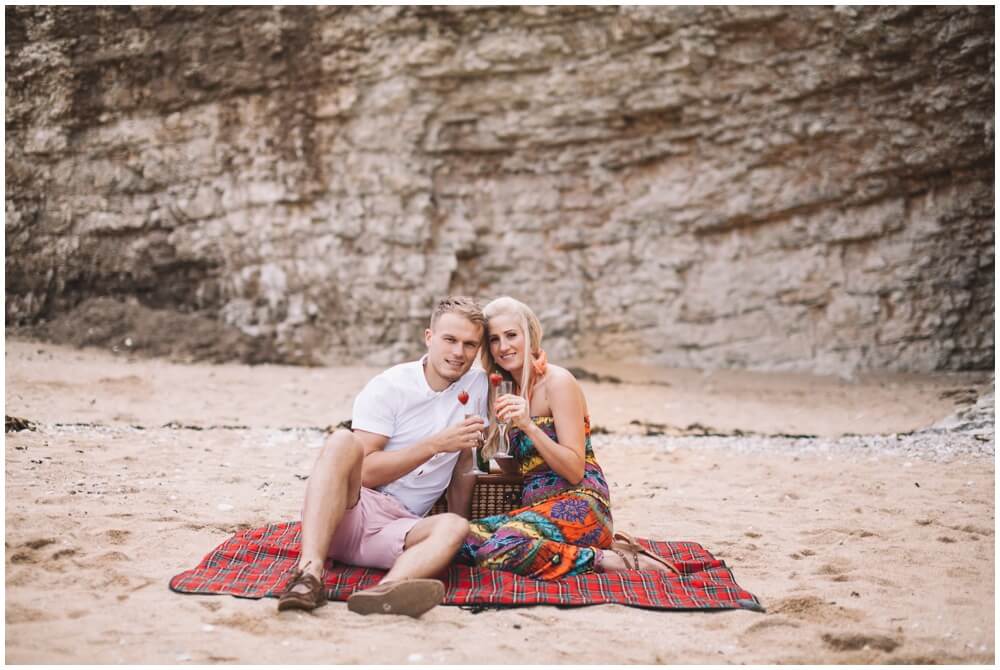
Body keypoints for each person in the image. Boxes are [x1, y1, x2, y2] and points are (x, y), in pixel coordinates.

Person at [277, 296, 489, 617]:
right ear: (429, 338)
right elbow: (365, 473)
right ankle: (308, 574)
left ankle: (384, 591)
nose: (459, 352)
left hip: (401, 526)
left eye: (470, 344)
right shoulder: (390, 386)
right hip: (352, 511)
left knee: (454, 527)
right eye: (450, 340)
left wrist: (458, 535)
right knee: (342, 441)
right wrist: (435, 445)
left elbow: (463, 464)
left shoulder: (478, 386)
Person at [457, 296, 680, 579]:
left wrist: (529, 426)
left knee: (497, 550)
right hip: (535, 510)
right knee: (459, 541)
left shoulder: (557, 382)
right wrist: (496, 434)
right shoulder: (504, 390)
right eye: (494, 339)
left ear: (530, 335)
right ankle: (577, 550)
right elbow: (517, 470)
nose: (503, 347)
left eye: (512, 335)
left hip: (581, 503)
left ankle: (608, 560)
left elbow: (574, 470)